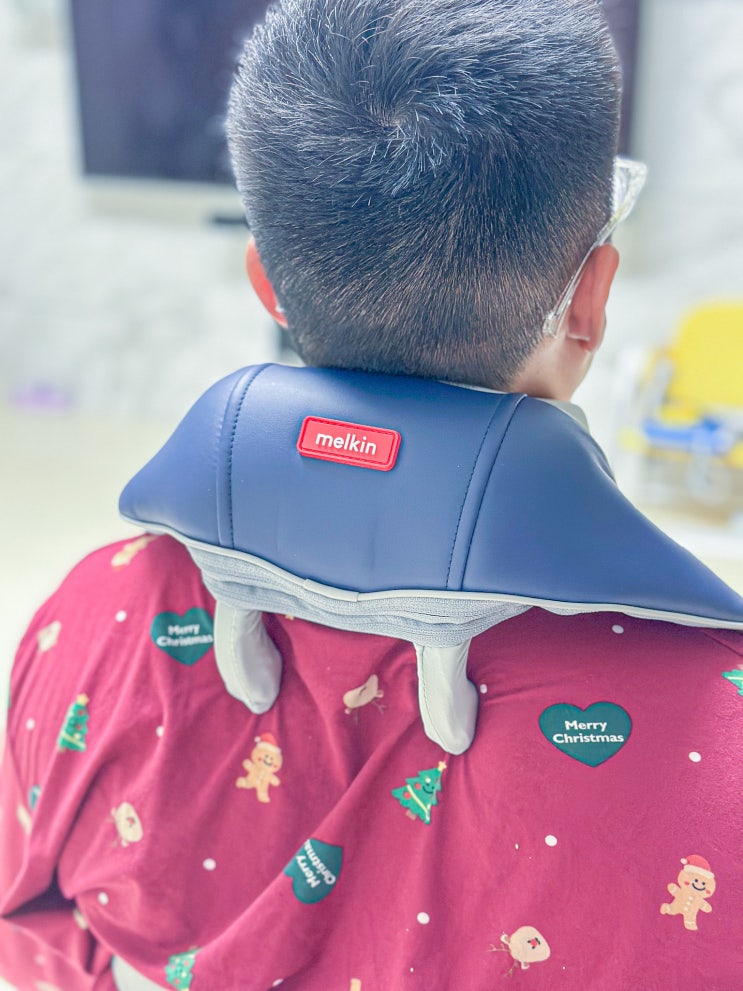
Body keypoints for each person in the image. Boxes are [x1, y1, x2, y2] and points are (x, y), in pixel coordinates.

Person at [2, 1, 742, 989]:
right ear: (589, 299)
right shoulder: (715, 729)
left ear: (267, 284)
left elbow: (35, 929)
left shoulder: (88, 618)